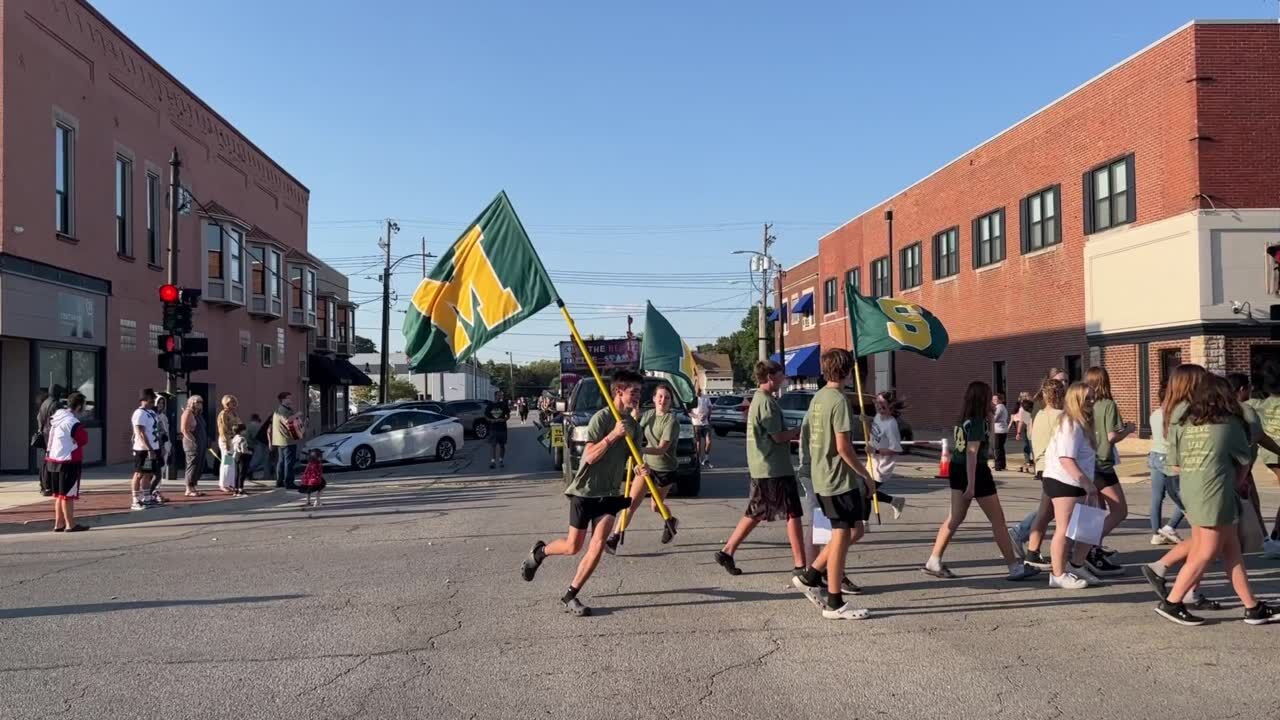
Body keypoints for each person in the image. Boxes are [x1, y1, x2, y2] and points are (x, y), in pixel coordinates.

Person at [521, 369, 648, 616]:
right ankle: (540, 552)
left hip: (610, 492)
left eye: (640, 392)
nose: (637, 396)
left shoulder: (633, 426)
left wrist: (642, 469)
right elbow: (588, 456)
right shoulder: (602, 419)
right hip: (586, 491)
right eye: (634, 391)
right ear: (618, 392)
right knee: (572, 546)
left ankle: (571, 595)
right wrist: (613, 436)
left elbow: (635, 457)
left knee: (598, 544)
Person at [1154, 374, 1277, 626]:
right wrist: (1237, 482)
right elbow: (1244, 462)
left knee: (1232, 552)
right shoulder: (1230, 424)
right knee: (1206, 551)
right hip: (1217, 492)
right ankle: (1172, 602)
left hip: (1190, 491)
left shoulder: (1185, 424)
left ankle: (1252, 607)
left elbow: (1175, 466)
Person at [923, 380, 1037, 581]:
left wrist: (991, 419)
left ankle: (934, 559)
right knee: (998, 521)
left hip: (957, 468)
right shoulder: (977, 421)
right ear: (983, 398)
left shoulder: (964, 419)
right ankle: (1014, 566)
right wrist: (971, 485)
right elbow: (972, 453)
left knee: (955, 517)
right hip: (975, 471)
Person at [791, 349, 875, 620]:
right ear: (848, 371)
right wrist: (865, 475)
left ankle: (812, 574)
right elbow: (843, 447)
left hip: (822, 475)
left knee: (853, 530)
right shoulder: (839, 401)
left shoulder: (818, 398)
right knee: (841, 534)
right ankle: (834, 601)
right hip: (837, 478)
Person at [714, 360, 804, 577]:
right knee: (793, 512)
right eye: (782, 375)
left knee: (756, 511)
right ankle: (801, 564)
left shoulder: (759, 399)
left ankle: (727, 551)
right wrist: (799, 430)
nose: (784, 379)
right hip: (774, 467)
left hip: (764, 466)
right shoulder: (766, 403)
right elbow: (777, 436)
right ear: (771, 376)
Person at [606, 384, 682, 551]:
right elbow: (635, 432)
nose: (663, 400)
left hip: (665, 469)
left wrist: (639, 449)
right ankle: (614, 537)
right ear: (654, 399)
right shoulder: (648, 415)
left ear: (670, 402)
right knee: (630, 504)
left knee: (656, 506)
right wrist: (633, 417)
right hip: (645, 466)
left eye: (667, 397)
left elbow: (662, 449)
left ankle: (670, 520)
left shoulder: (672, 422)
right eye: (660, 396)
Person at [1042, 382, 1102, 589]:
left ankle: (1076, 564)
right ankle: (1057, 574)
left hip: (1077, 481)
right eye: (1088, 398)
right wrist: (1087, 484)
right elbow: (1066, 458)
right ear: (1076, 400)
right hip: (1064, 481)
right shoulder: (1070, 424)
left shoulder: (1081, 423)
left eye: (1093, 397)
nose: (1092, 401)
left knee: (1089, 525)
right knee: (1064, 529)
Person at [1010, 377, 1066, 569]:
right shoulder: (1061, 416)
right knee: (1060, 514)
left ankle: (1032, 551)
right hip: (1056, 467)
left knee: (1046, 511)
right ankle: (1067, 554)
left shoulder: (1040, 414)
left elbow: (1033, 436)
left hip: (1042, 465)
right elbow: (1064, 443)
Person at [1083, 367, 1134, 577]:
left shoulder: (1084, 405)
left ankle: (1091, 550)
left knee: (1096, 511)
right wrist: (1129, 430)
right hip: (1103, 462)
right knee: (1120, 510)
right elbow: (1112, 436)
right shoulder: (1109, 405)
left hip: (1087, 461)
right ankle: (1087, 548)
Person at [45, 392, 89, 532]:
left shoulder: (57, 418)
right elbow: (83, 439)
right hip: (69, 461)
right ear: (79, 406)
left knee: (58, 494)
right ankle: (71, 524)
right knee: (68, 495)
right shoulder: (72, 422)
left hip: (53, 460)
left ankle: (59, 523)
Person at [1148, 386, 1185, 546]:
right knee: (1184, 497)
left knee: (1157, 496)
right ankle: (1170, 526)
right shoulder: (1173, 415)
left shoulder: (1154, 414)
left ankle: (1156, 533)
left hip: (1155, 454)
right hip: (1169, 457)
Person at [868, 390, 907, 519]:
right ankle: (864, 522)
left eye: (882, 404)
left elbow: (896, 449)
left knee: (865, 492)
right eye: (877, 403)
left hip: (882, 466)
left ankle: (894, 501)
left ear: (890, 406)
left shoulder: (891, 425)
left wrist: (877, 451)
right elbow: (875, 433)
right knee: (865, 491)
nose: (879, 406)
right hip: (872, 461)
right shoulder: (877, 416)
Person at [130, 389, 160, 511]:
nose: (153, 402)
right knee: (139, 473)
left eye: (153, 400)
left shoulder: (151, 412)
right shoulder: (139, 413)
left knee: (147, 473)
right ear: (144, 400)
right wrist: (149, 449)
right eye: (151, 400)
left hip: (153, 448)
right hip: (142, 450)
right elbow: (141, 433)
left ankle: (146, 498)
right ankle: (135, 499)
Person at [35, 386, 63, 497]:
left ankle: (44, 485)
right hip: (52, 436)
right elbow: (59, 421)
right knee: (50, 462)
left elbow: (38, 418)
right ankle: (48, 486)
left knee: (44, 462)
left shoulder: (45, 403)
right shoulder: (56, 404)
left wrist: (41, 429)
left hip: (44, 435)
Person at [272, 392, 303, 489]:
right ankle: (289, 482)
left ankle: (280, 481)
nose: (291, 400)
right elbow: (287, 420)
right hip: (287, 439)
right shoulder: (282, 410)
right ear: (283, 400)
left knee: (281, 461)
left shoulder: (283, 409)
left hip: (281, 439)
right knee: (289, 462)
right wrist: (297, 414)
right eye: (288, 398)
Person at [181, 395, 208, 497]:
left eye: (201, 402)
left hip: (201, 443)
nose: (200, 404)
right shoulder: (188, 413)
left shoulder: (198, 415)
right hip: (192, 444)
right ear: (192, 402)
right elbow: (184, 430)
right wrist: (193, 441)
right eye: (197, 402)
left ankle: (193, 486)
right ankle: (188, 488)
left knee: (198, 465)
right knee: (192, 465)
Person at [147, 395, 172, 505]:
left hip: (165, 445)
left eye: (162, 403)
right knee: (152, 472)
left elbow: (166, 432)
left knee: (161, 470)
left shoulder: (164, 417)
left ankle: (156, 491)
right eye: (158, 403)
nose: (160, 405)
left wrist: (169, 446)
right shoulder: (151, 416)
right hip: (155, 446)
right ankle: (151, 492)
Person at [216, 395, 241, 494]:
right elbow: (222, 429)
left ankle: (231, 483)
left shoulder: (234, 414)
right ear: (226, 403)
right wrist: (226, 442)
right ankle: (223, 484)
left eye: (235, 402)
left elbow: (239, 425)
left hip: (233, 439)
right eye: (232, 402)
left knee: (231, 463)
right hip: (226, 440)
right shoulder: (224, 414)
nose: (234, 404)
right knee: (226, 462)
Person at [486, 390, 511, 470]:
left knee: (502, 445)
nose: (501, 396)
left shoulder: (504, 404)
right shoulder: (490, 405)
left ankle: (501, 460)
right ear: (495, 396)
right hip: (493, 428)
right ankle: (493, 461)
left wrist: (504, 419)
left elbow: (508, 415)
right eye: (499, 395)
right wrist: (491, 420)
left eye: (502, 395)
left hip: (502, 428)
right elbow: (486, 416)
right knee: (493, 445)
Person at [691, 391, 713, 468]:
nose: (698, 392)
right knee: (698, 442)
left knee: (709, 441)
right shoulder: (692, 398)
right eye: (696, 390)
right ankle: (698, 459)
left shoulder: (706, 397)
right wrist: (696, 416)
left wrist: (706, 416)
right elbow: (688, 411)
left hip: (706, 423)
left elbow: (710, 407)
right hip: (696, 424)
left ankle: (706, 458)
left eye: (699, 390)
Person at [1014, 392, 1034, 473]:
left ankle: (1028, 461)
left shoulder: (1024, 408)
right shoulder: (1034, 406)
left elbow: (1022, 421)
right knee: (1031, 446)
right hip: (1034, 429)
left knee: (1028, 446)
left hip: (1029, 430)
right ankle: (1030, 461)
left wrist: (1018, 433)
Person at [231, 423, 251, 498]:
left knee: (237, 473)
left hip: (235, 456)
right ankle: (240, 489)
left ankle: (235, 489)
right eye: (244, 430)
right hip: (242, 456)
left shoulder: (234, 438)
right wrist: (250, 452)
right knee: (242, 473)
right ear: (241, 431)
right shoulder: (242, 439)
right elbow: (244, 450)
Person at [991, 392, 1010, 471]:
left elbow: (994, 418)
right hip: (1003, 430)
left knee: (997, 448)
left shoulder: (999, 407)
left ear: (1000, 400)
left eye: (996, 399)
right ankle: (1002, 465)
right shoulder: (1003, 407)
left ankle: (998, 466)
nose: (994, 400)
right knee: (1001, 448)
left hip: (998, 431)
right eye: (993, 399)